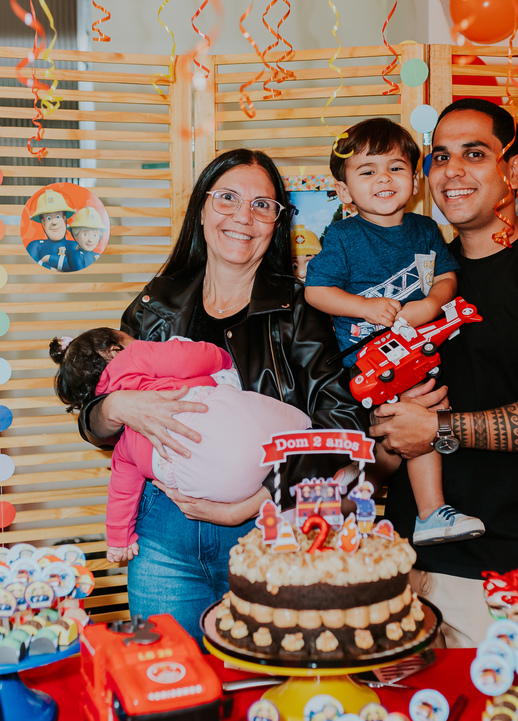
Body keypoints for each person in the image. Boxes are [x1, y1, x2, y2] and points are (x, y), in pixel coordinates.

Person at [76, 149, 366, 639]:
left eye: (262, 205)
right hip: (163, 538)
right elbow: (97, 424)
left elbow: (343, 431)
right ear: (202, 208)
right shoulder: (156, 303)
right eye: (227, 198)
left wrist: (254, 503)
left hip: (268, 531)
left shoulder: (300, 307)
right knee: (172, 687)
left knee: (267, 695)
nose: (242, 216)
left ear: (277, 221)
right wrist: (116, 406)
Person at [370, 99, 518, 647]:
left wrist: (439, 429)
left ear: (513, 171)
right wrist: (388, 439)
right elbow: (390, 437)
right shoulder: (421, 278)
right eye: (439, 157)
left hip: (505, 576)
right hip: (402, 566)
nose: (452, 171)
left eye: (475, 154)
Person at [303, 117, 484, 547]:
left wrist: (430, 303)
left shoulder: (425, 230)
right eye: (367, 171)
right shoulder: (343, 236)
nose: (383, 178)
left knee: (404, 433)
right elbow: (316, 291)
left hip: (416, 350)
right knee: (415, 421)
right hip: (372, 359)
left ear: (415, 181)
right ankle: (429, 511)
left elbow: (447, 278)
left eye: (396, 167)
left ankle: (350, 487)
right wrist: (364, 307)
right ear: (345, 191)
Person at [48, 328, 310, 563]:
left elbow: (121, 492)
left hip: (212, 488)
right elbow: (187, 358)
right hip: (229, 430)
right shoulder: (134, 355)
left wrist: (119, 540)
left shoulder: (125, 443)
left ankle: (278, 522)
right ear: (116, 348)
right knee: (301, 428)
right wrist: (223, 358)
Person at [25, 189, 78, 271]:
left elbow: (77, 266)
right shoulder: (35, 246)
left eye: (57, 216)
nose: (54, 222)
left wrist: (48, 259)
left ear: (64, 218)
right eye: (49, 218)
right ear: (43, 222)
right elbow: (30, 269)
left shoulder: (74, 245)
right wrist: (52, 268)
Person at [66, 206, 107, 271]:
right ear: (75, 234)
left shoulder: (97, 256)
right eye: (85, 234)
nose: (90, 240)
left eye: (95, 235)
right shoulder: (75, 255)